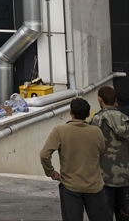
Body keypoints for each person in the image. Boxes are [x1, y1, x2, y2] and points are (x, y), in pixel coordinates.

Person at [40, 98, 112, 221]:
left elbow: (44, 154)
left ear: (70, 112)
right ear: (88, 114)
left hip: (70, 186)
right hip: (94, 186)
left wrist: (50, 172)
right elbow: (101, 153)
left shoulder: (60, 131)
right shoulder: (97, 132)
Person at [92, 86, 128, 221]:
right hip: (126, 177)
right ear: (115, 101)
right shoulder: (125, 119)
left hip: (104, 177)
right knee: (124, 215)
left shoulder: (97, 120)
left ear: (100, 99)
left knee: (104, 216)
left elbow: (92, 147)